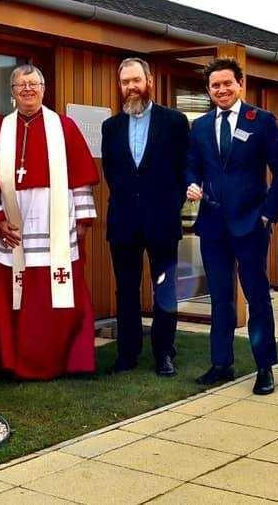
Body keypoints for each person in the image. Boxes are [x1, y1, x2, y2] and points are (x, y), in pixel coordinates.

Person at [0, 64, 100, 380]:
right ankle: (15, 361)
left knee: (59, 297)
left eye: (33, 83)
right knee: (13, 297)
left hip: (54, 226)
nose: (27, 89)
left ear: (44, 89)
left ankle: (66, 360)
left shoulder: (64, 127)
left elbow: (80, 182)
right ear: (12, 91)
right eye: (20, 84)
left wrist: (81, 222)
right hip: (12, 231)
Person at [186, 57, 278, 395]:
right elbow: (192, 167)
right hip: (213, 226)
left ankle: (264, 368)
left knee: (257, 297)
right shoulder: (199, 127)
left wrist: (267, 214)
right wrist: (192, 183)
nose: (222, 90)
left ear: (240, 84)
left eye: (227, 83)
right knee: (220, 298)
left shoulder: (261, 121)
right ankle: (221, 363)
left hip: (251, 225)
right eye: (215, 85)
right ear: (209, 90)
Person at [101, 57, 189, 377]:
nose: (130, 87)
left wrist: (169, 204)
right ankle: (127, 353)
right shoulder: (110, 127)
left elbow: (184, 170)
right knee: (125, 290)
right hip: (124, 221)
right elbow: (111, 171)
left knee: (164, 288)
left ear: (149, 81)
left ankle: (164, 353)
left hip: (162, 221)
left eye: (136, 80)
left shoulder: (175, 122)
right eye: (125, 82)